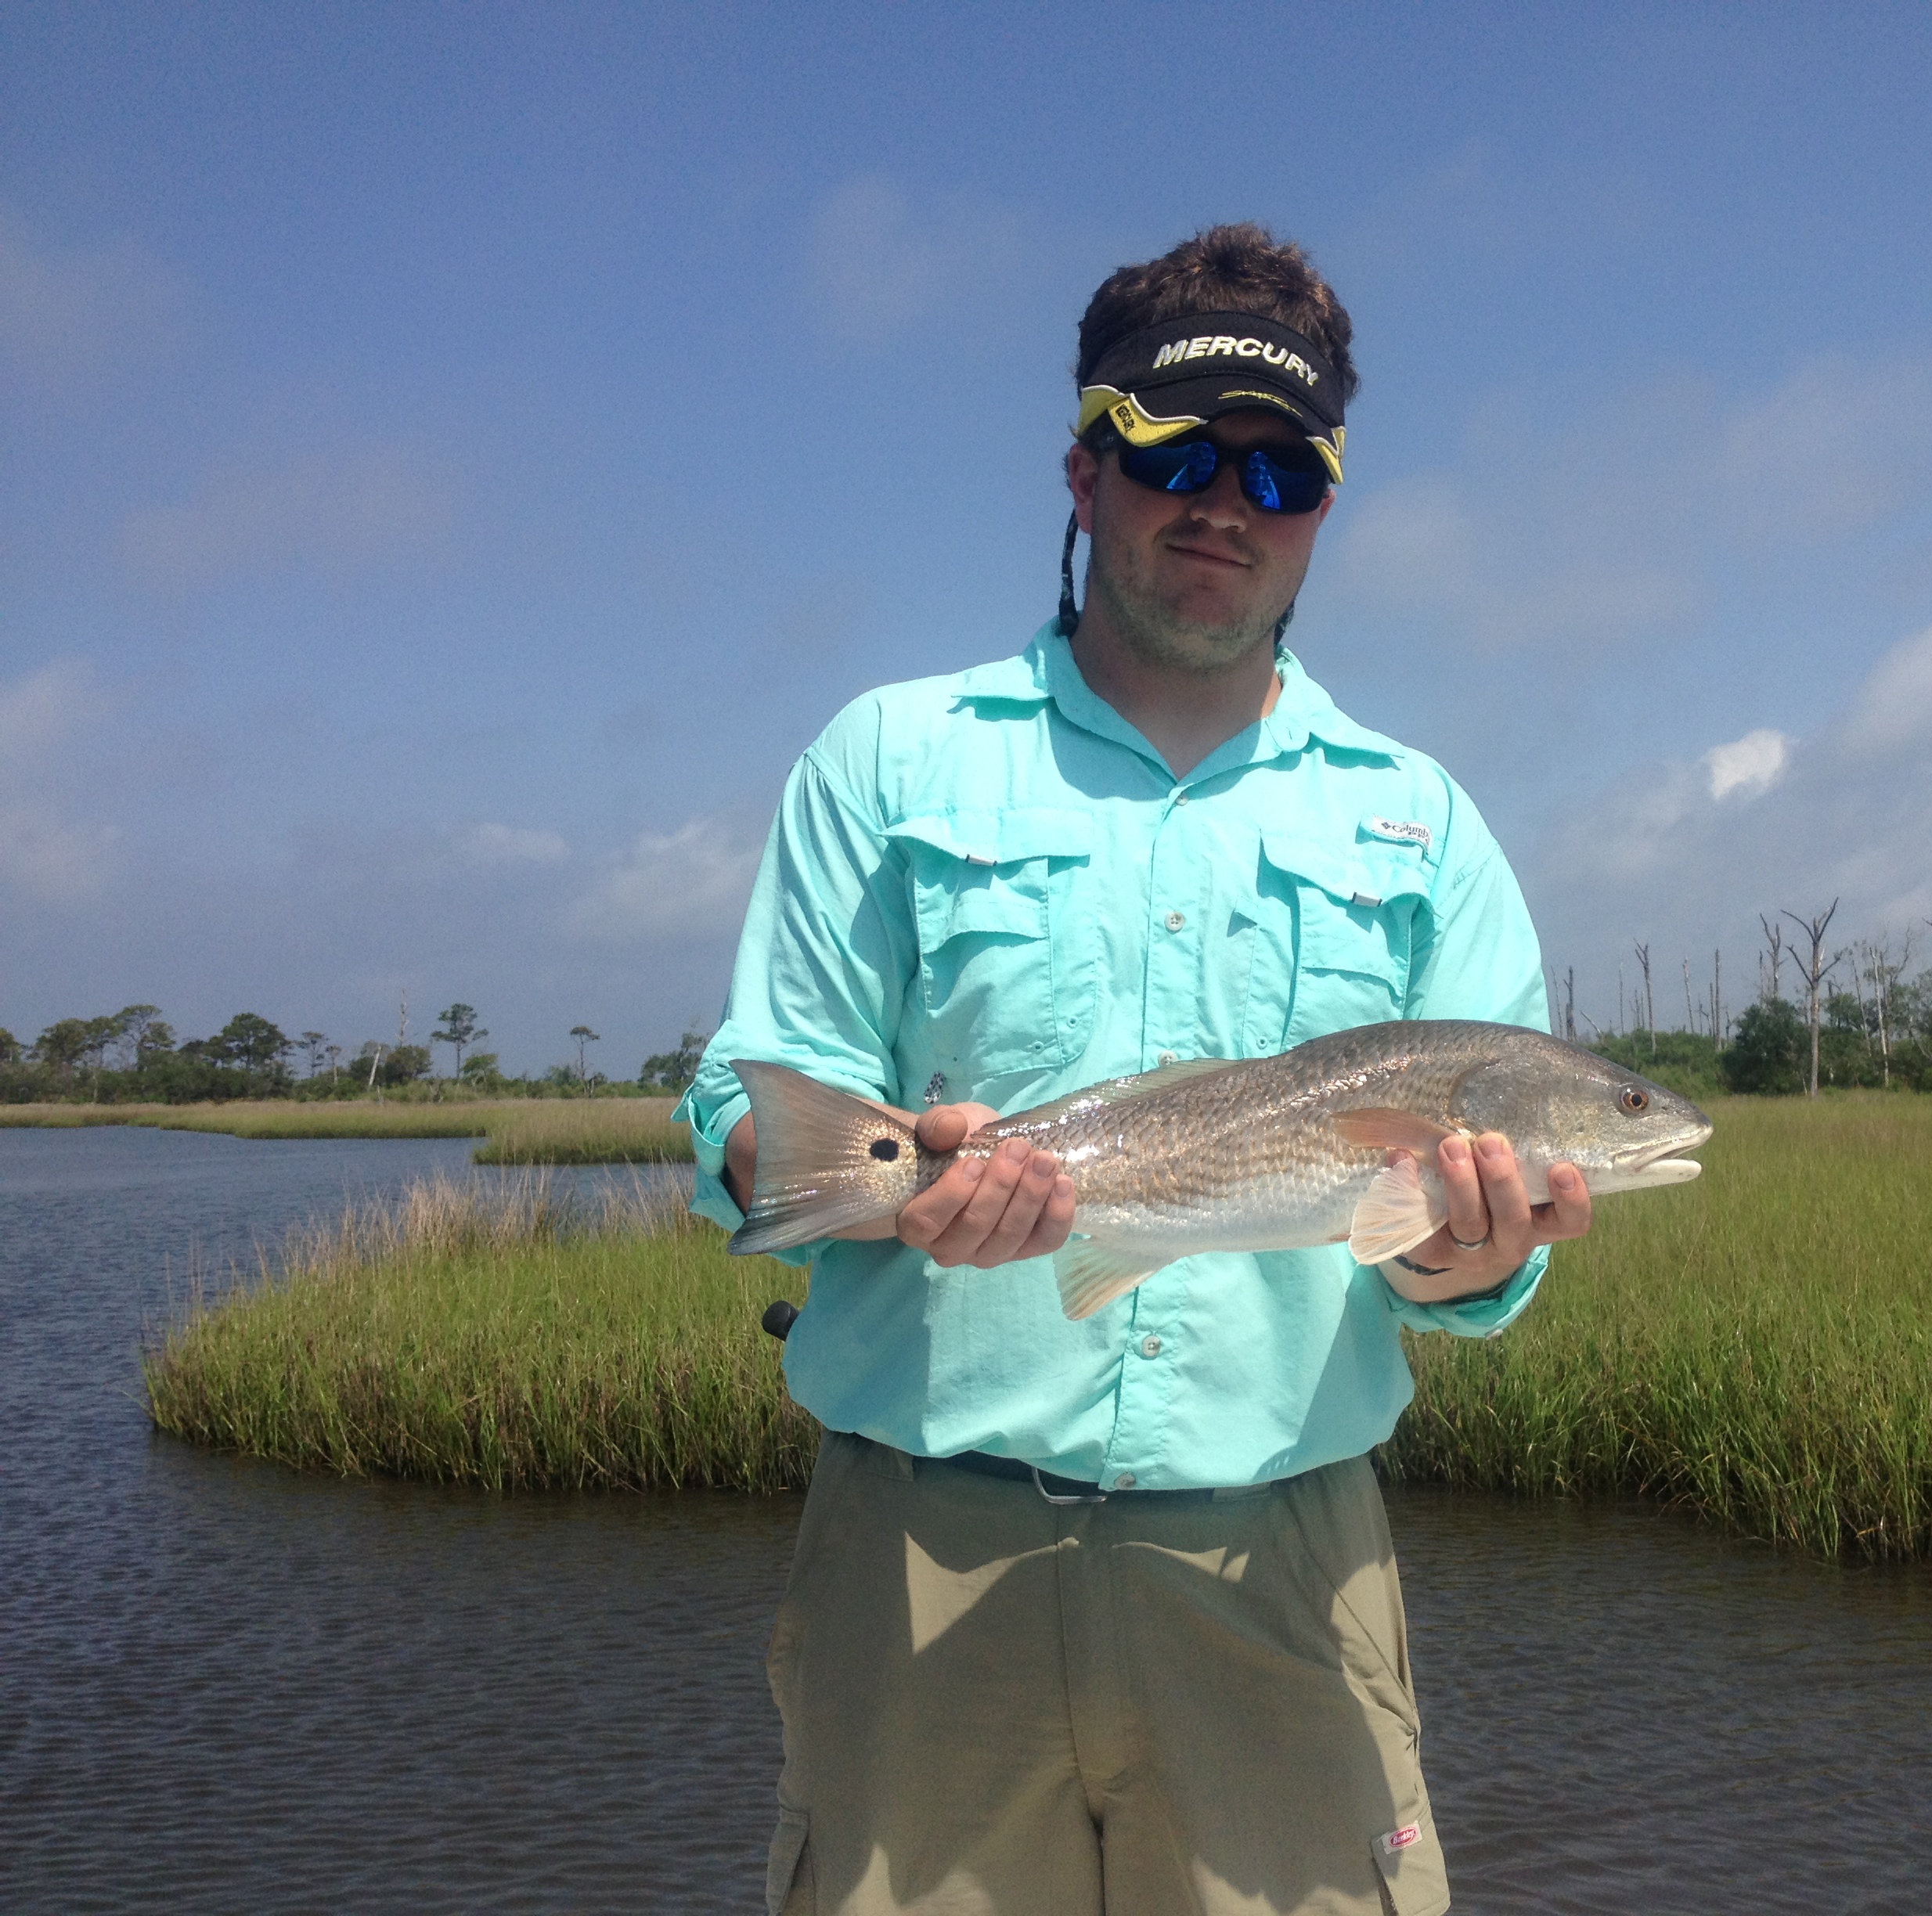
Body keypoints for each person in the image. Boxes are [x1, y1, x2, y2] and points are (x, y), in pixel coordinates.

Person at [681, 222, 1591, 1916]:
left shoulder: (1423, 822)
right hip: (921, 1555)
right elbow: (759, 1102)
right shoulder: (888, 760)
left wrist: (1474, 1254)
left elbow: (1450, 1284)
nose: (1226, 504)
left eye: (1282, 470)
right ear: (1085, 469)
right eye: (1176, 453)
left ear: (1325, 506)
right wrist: (868, 1187)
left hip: (1281, 1562)